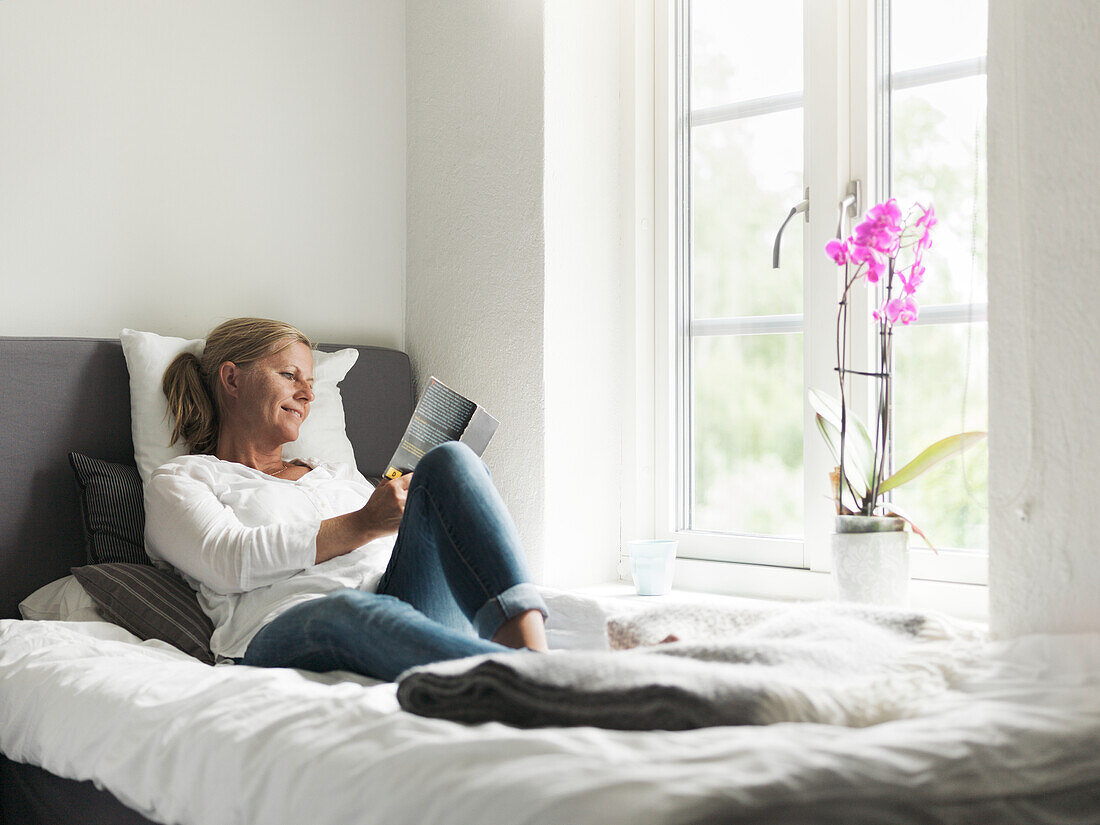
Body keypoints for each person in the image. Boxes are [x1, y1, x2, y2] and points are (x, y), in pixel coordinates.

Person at [144, 317, 548, 681]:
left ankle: (533, 656)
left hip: (402, 596)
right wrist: (364, 522)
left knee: (451, 459)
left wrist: (413, 511)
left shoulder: (334, 472)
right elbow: (228, 560)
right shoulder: (183, 478)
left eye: (311, 384)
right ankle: (520, 677)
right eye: (290, 375)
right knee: (348, 610)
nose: (307, 396)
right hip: (286, 626)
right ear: (232, 380)